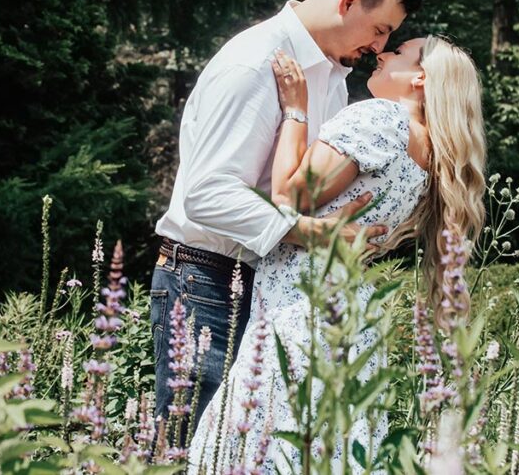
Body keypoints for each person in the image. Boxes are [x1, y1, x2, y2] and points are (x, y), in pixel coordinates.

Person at [150, 0, 423, 436]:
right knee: (192, 454)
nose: (380, 46)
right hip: (205, 284)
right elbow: (206, 194)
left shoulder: (333, 82)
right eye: (380, 29)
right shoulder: (254, 63)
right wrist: (314, 235)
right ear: (350, 1)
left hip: (272, 294)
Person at [187, 35, 488, 473]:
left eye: (399, 52)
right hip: (350, 317)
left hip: (301, 307)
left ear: (421, 78)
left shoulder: (382, 118)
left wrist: (296, 110)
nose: (382, 53)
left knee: (259, 442)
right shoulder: (429, 155)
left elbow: (291, 195)